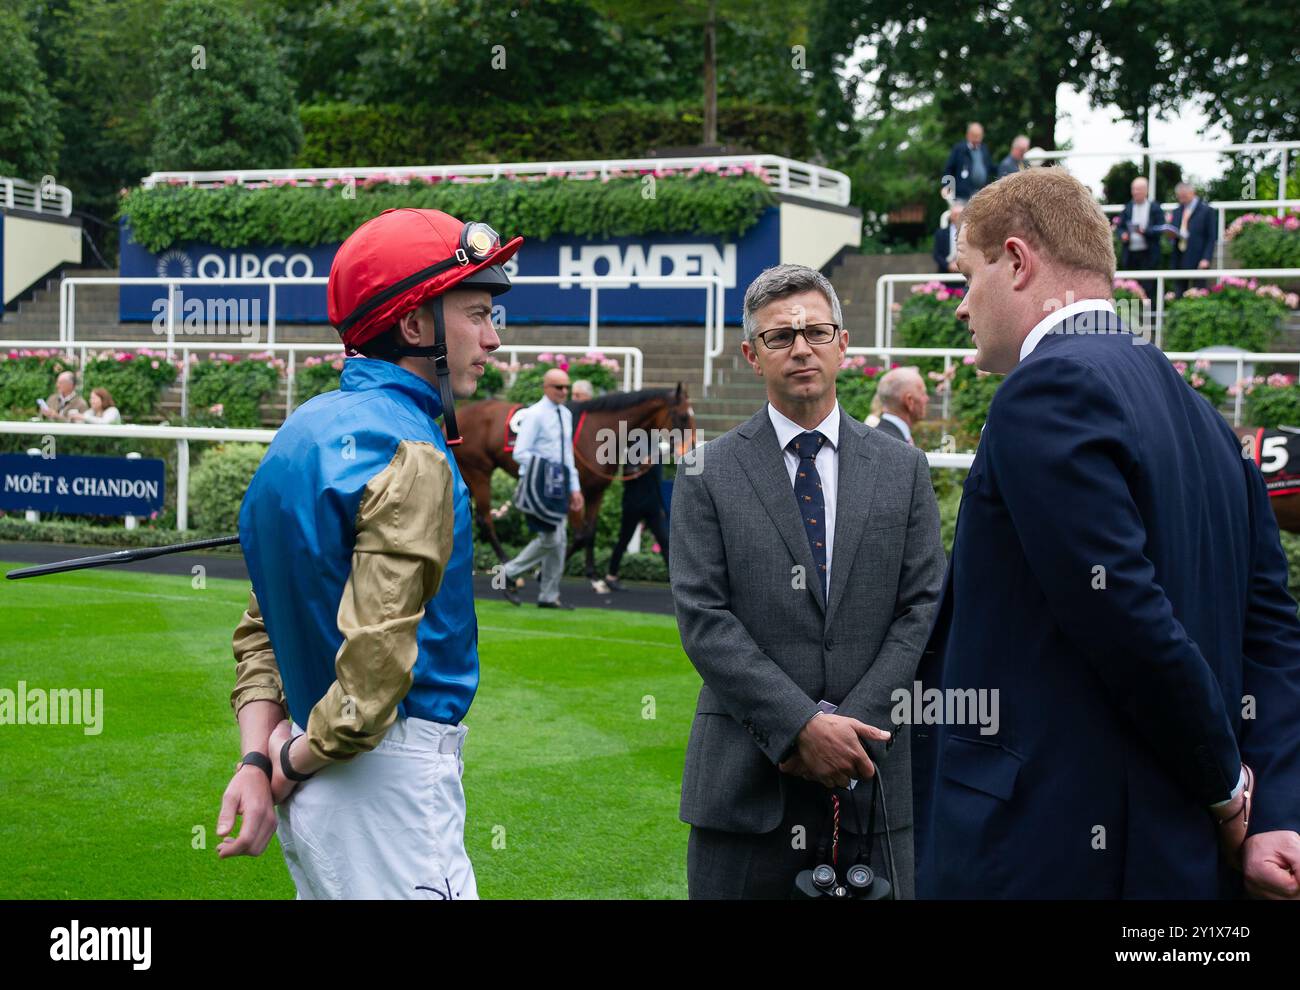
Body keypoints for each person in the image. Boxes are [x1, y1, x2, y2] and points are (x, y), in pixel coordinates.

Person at [914, 168, 1300, 899]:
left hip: (1055, 854)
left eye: (966, 275)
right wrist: (1276, 812)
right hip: (1180, 865)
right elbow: (1274, 638)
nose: (961, 306)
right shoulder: (1209, 423)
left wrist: (1228, 789)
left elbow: (1126, 617)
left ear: (1019, 262)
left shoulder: (1047, 390)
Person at [216, 208, 522, 900]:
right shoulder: (412, 450)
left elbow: (262, 627)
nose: (493, 338)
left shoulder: (301, 431)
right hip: (386, 786)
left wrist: (258, 763)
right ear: (415, 325)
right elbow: (373, 679)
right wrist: (292, 763)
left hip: (312, 778)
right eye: (475, 313)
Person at [671, 263, 947, 899]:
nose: (801, 348)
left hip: (871, 779)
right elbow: (704, 621)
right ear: (751, 353)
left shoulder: (902, 468)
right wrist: (799, 725)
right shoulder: (706, 473)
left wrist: (850, 728)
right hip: (745, 790)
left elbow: (922, 607)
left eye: (816, 332)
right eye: (779, 337)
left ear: (843, 344)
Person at [499, 368, 584, 609]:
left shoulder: (565, 415)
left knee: (560, 539)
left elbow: (566, 455)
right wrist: (547, 470)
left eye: (566, 387)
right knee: (551, 538)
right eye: (559, 387)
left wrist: (574, 488)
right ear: (546, 388)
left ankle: (548, 595)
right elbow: (520, 453)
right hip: (538, 485)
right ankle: (508, 573)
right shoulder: (534, 415)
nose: (564, 391)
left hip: (559, 486)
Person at [603, 445, 669, 591]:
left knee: (665, 541)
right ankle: (611, 576)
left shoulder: (656, 451)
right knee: (623, 540)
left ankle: (676, 580)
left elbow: (658, 481)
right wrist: (641, 467)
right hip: (633, 504)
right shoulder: (635, 448)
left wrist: (661, 507)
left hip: (652, 505)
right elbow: (626, 474)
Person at [1116, 176, 1165, 299]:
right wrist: (1123, 234)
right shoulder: (1128, 207)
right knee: (1131, 287)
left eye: (1138, 189)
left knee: (1149, 287)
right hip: (1131, 254)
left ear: (1145, 190)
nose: (1135, 192)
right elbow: (1120, 227)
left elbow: (1160, 228)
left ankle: (1150, 316)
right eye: (1133, 189)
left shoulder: (1155, 207)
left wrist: (1145, 231)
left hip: (1149, 255)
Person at [1166, 182, 1217, 296]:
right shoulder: (1177, 211)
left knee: (1198, 293)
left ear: (1192, 192)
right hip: (1179, 257)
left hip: (1198, 257)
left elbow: (1211, 237)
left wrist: (1206, 258)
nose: (1181, 198)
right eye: (1179, 196)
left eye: (1184, 195)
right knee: (1179, 293)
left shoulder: (1206, 211)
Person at [873, 367, 927, 446]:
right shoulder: (899, 447)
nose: (927, 399)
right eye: (923, 393)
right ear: (909, 401)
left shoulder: (873, 440)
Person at [941, 122, 995, 202]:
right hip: (962, 196)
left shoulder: (984, 149)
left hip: (981, 195)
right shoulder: (959, 149)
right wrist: (946, 186)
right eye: (975, 136)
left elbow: (990, 167)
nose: (977, 139)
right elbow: (948, 169)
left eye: (979, 136)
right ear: (968, 135)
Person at [932, 202, 964, 275]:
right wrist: (948, 265)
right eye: (955, 214)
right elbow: (936, 254)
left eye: (960, 214)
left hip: (965, 274)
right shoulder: (940, 233)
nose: (958, 217)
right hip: (945, 273)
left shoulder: (970, 233)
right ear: (951, 216)